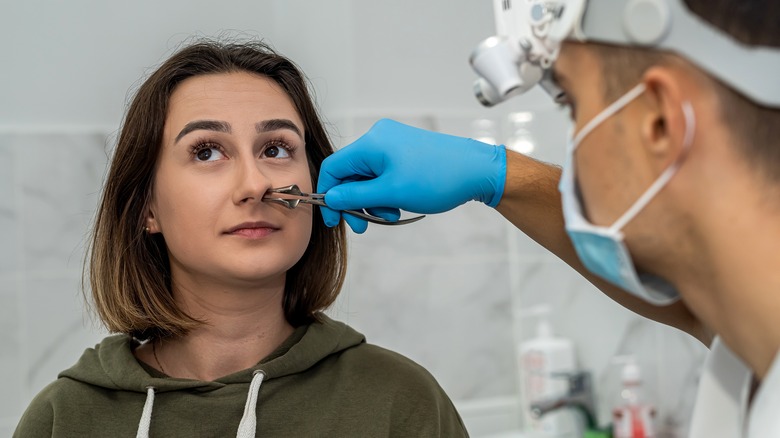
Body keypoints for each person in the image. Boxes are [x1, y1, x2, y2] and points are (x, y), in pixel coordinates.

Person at [316, 1, 780, 436]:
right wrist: (497, 175)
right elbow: (698, 308)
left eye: (572, 105)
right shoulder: (747, 342)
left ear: (659, 122)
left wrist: (496, 173)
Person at [13, 40, 467, 438]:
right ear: (147, 208)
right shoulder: (61, 418)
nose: (255, 185)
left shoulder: (401, 401)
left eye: (276, 149)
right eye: (207, 151)